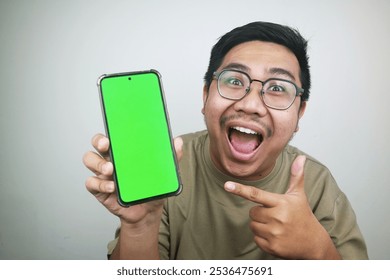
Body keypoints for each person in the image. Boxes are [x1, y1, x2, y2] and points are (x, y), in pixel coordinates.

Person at [83, 21, 368, 259]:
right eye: (234, 81)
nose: (251, 104)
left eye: (278, 87)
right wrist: (141, 226)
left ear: (299, 113)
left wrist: (319, 252)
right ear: (206, 96)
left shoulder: (317, 184)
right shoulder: (167, 167)